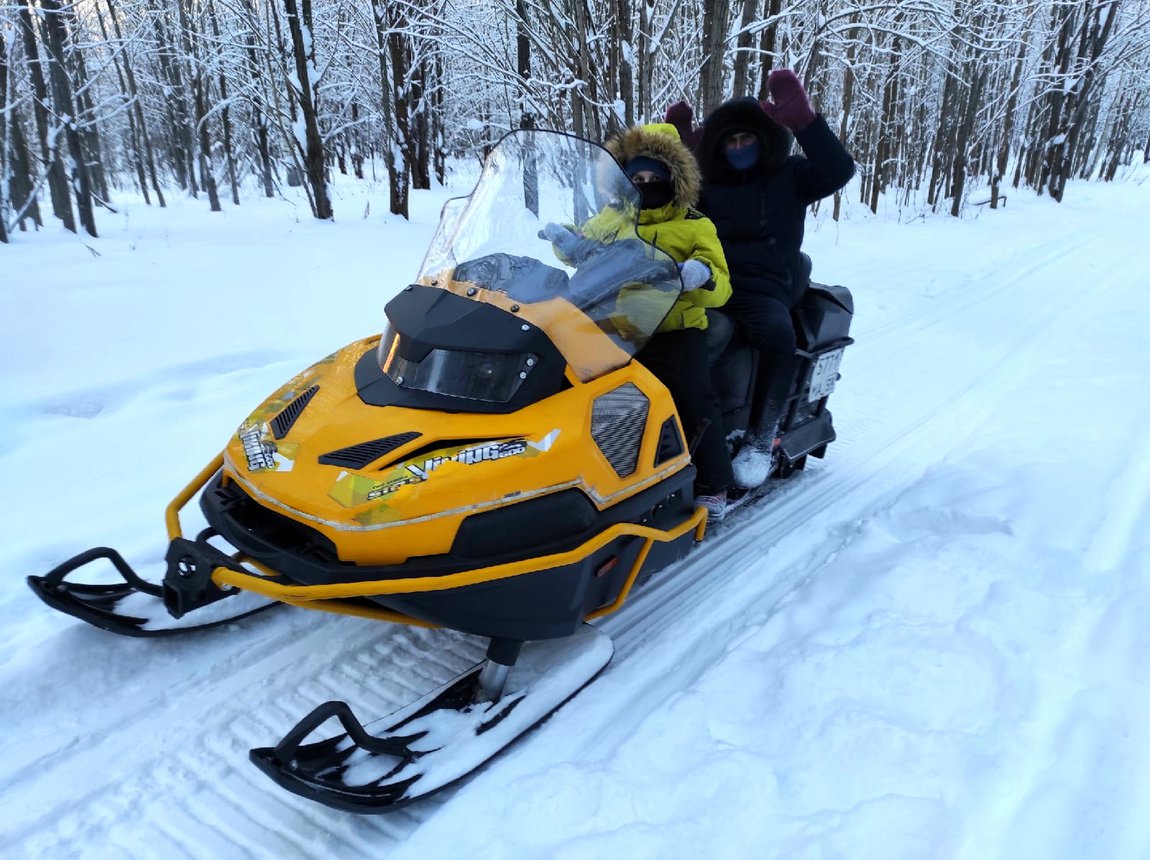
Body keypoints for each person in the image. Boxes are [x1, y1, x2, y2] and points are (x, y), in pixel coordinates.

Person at [667, 70, 855, 489]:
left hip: (763, 285)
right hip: (710, 280)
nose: (738, 148)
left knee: (776, 335)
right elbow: (663, 202)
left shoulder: (790, 175)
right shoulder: (708, 184)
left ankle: (759, 438)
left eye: (746, 139)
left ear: (764, 139)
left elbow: (838, 170)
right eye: (730, 141)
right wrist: (684, 151)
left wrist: (806, 123)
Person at [541, 123, 735, 520]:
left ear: (674, 180)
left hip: (672, 329)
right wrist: (565, 239)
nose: (646, 184)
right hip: (613, 324)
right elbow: (586, 248)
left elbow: (721, 283)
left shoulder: (695, 224)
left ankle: (714, 483)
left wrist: (699, 274)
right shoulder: (613, 217)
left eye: (655, 177)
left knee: (692, 392)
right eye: (637, 178)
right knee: (566, 385)